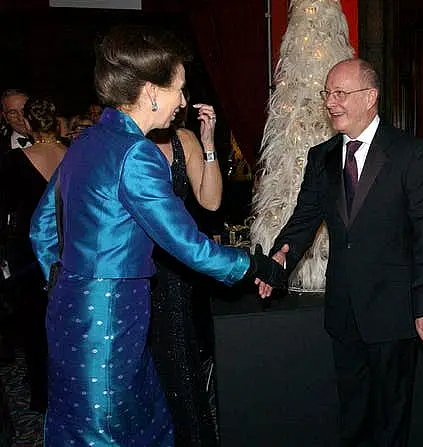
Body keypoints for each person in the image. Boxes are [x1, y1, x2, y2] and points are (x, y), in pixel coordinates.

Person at [29, 25, 285, 446]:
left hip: (72, 311)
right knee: (111, 431)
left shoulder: (88, 139)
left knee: (123, 422)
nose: (182, 102)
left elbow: (41, 228)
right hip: (112, 316)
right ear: (150, 91)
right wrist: (255, 265)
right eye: (178, 90)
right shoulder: (136, 153)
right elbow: (187, 244)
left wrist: (65, 284)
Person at [259, 58, 423, 447]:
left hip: (394, 312)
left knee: (391, 419)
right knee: (353, 415)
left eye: (340, 93)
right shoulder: (322, 157)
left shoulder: (410, 153)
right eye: (327, 94)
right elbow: (303, 220)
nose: (331, 103)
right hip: (344, 311)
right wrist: (279, 258)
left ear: (370, 98)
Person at [147, 95, 223, 446]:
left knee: (179, 370)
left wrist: (208, 144)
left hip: (173, 272)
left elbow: (210, 201)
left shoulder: (184, 139)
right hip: (130, 270)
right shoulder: (124, 142)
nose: (180, 101)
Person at [0, 98, 66, 412]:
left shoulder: (14, 161)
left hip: (29, 256)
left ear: (27, 123)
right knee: (67, 323)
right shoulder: (74, 155)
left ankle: (44, 395)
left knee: (35, 326)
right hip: (69, 251)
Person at [0, 90, 32, 155]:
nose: (20, 118)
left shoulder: (53, 143)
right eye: (12, 112)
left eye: (24, 110)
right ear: (5, 117)